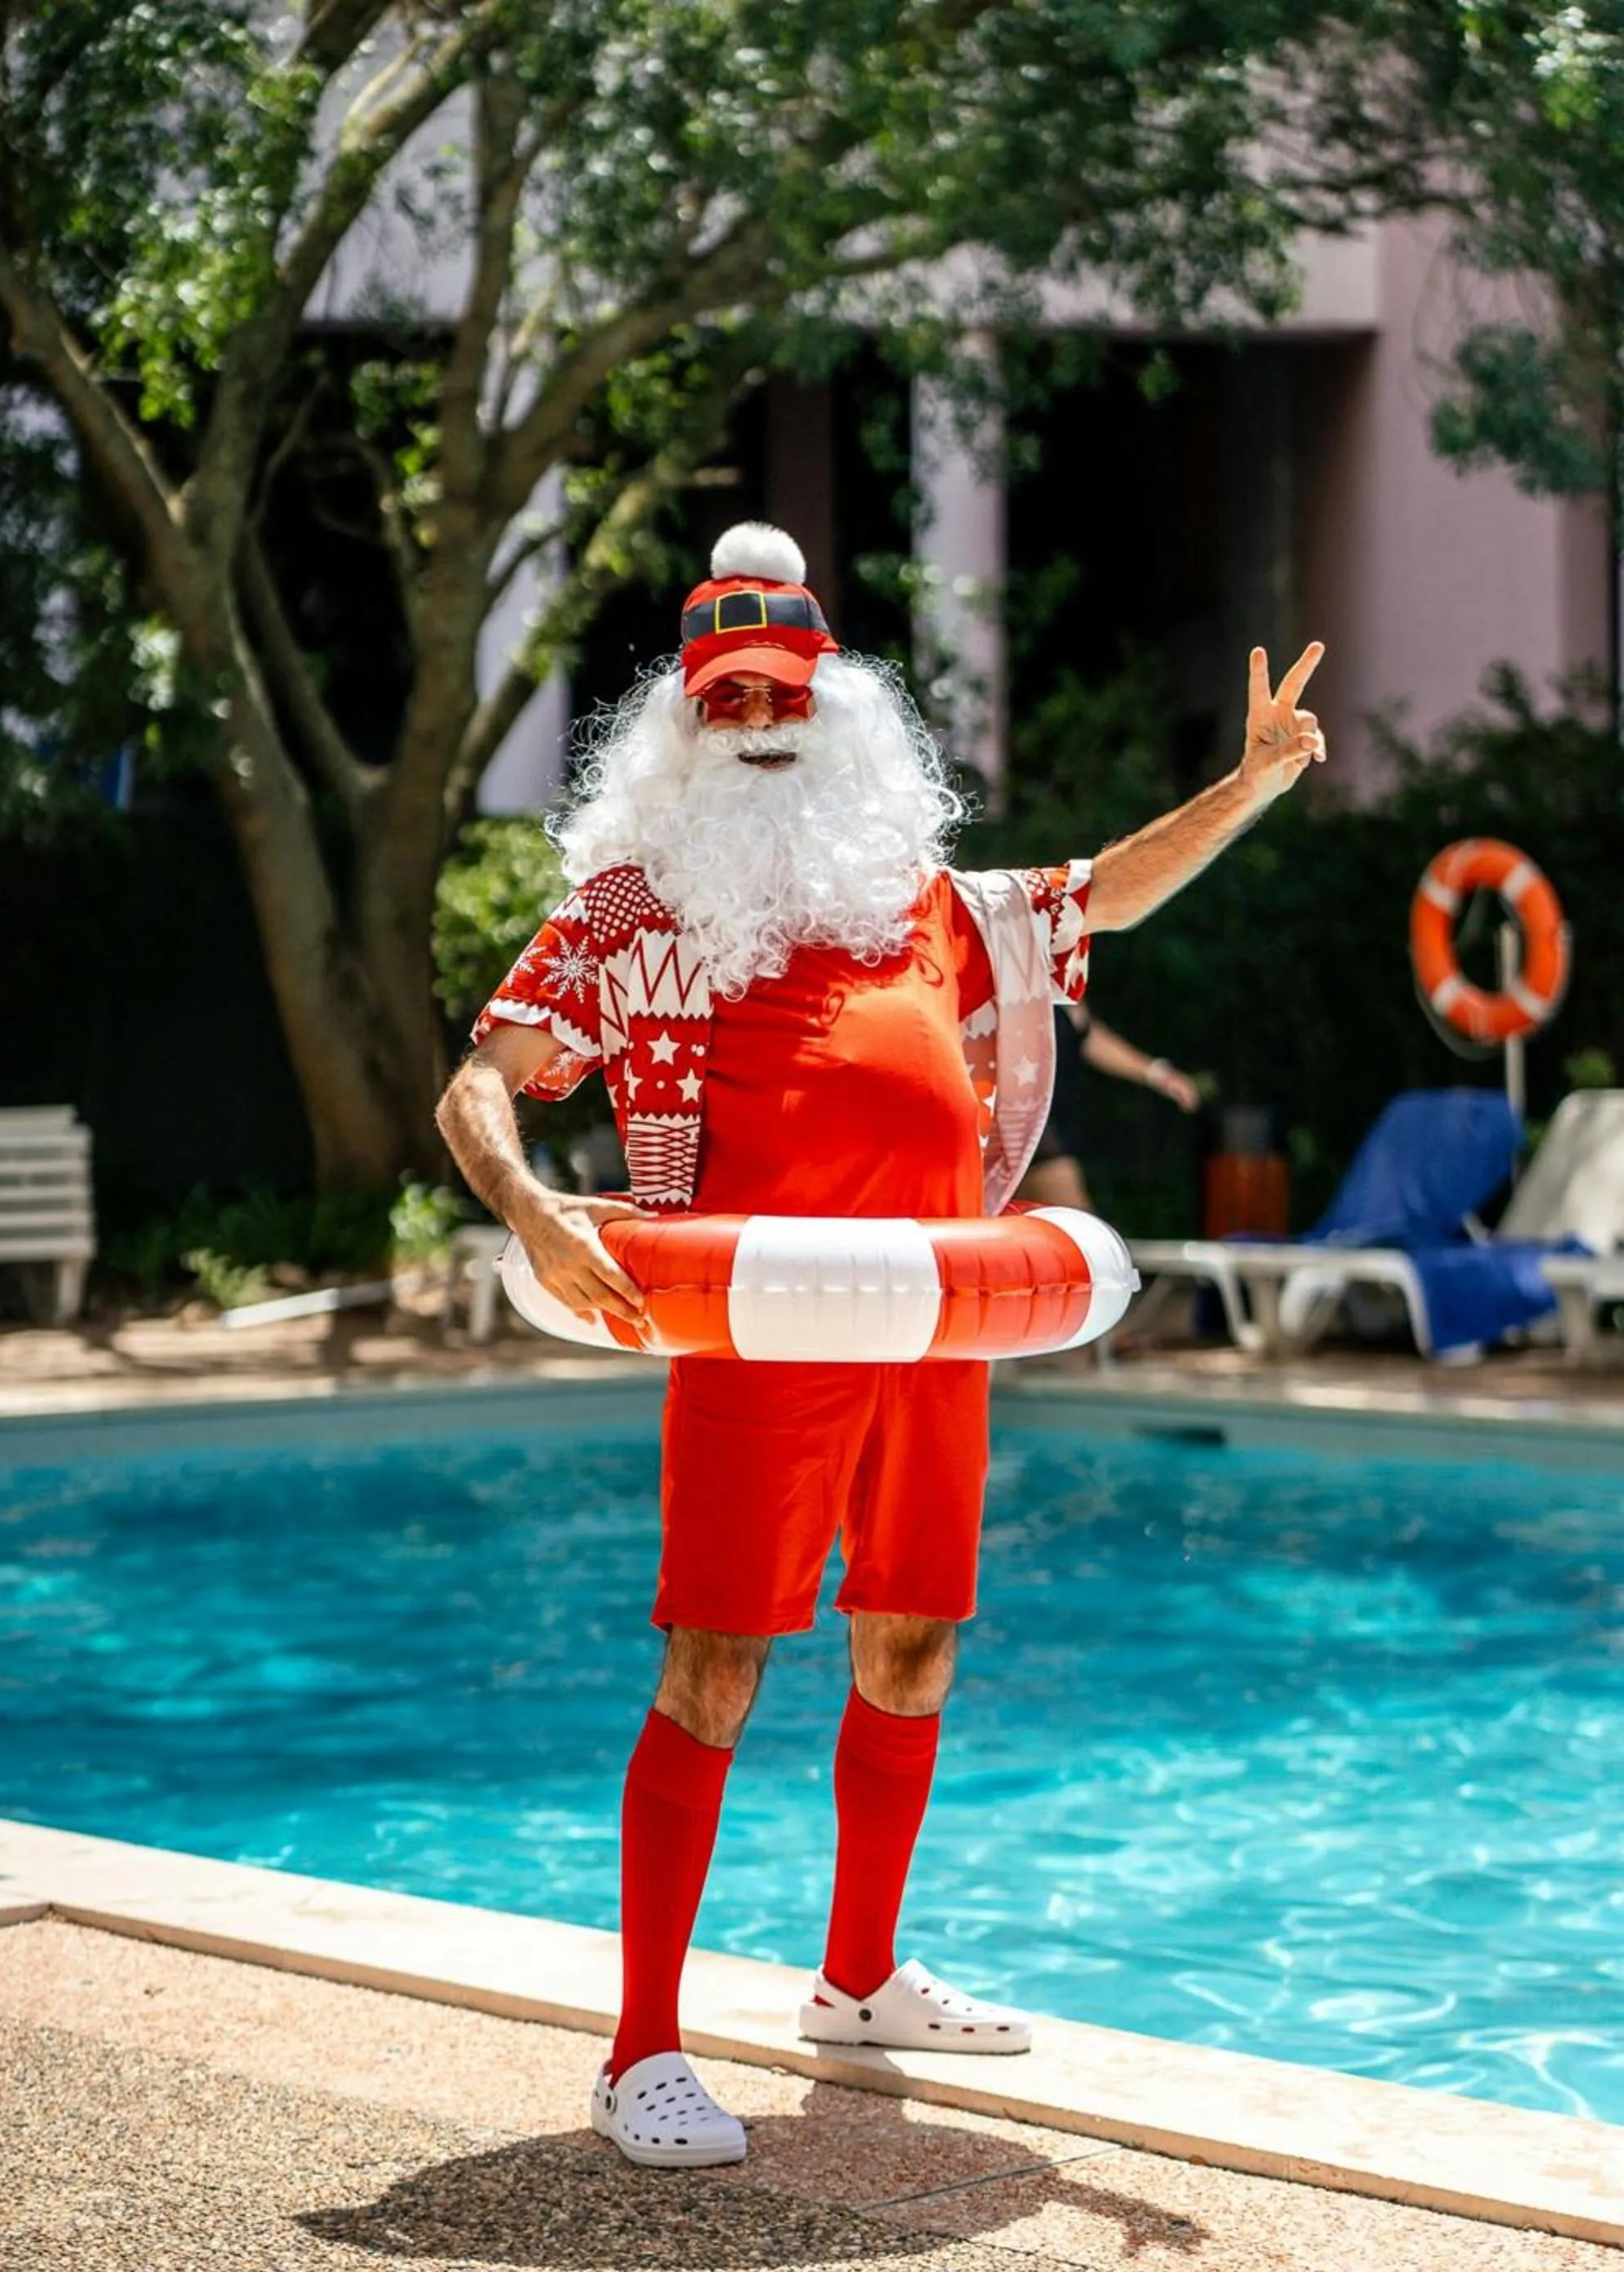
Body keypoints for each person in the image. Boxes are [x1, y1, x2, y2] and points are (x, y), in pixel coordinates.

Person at [436, 521, 1325, 2168]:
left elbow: (1097, 893)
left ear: (835, 705)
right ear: (685, 727)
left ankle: (854, 1982)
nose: (761, 716)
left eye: (786, 688)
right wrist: (534, 1215)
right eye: (728, 696)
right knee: (716, 1668)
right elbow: (477, 1083)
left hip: (931, 1330)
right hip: (751, 1338)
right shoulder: (635, 910)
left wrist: (1254, 783)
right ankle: (639, 2051)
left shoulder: (920, 899)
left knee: (913, 1641)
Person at [1017, 1005, 1203, 1214]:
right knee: (1079, 1231)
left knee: (1027, 1228)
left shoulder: (1063, 983)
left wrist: (1158, 1074)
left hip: (1047, 1129)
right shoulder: (1011, 978)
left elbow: (1087, 1033)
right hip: (1020, 1129)